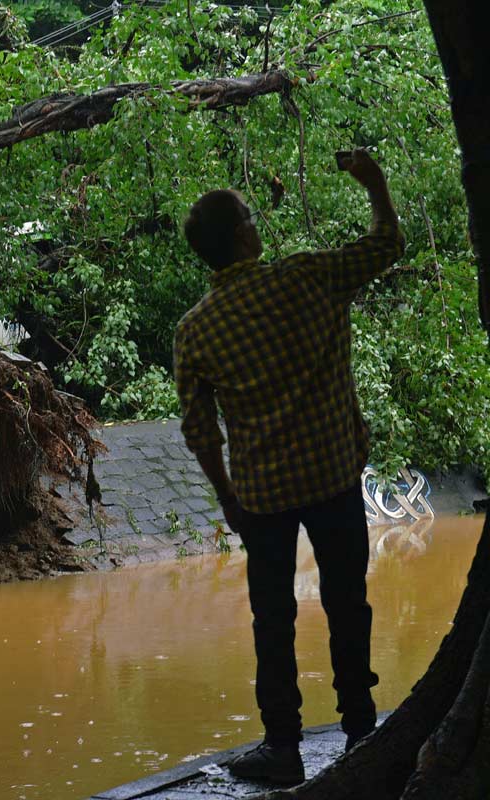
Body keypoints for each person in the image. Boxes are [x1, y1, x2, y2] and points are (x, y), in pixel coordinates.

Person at [173, 148, 403, 785]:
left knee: (272, 621)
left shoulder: (196, 330)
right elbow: (387, 243)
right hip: (333, 477)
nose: (257, 223)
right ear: (244, 236)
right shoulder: (307, 276)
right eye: (251, 216)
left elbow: (200, 433)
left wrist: (227, 499)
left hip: (261, 498)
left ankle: (282, 749)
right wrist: (374, 183)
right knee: (347, 603)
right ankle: (362, 731)